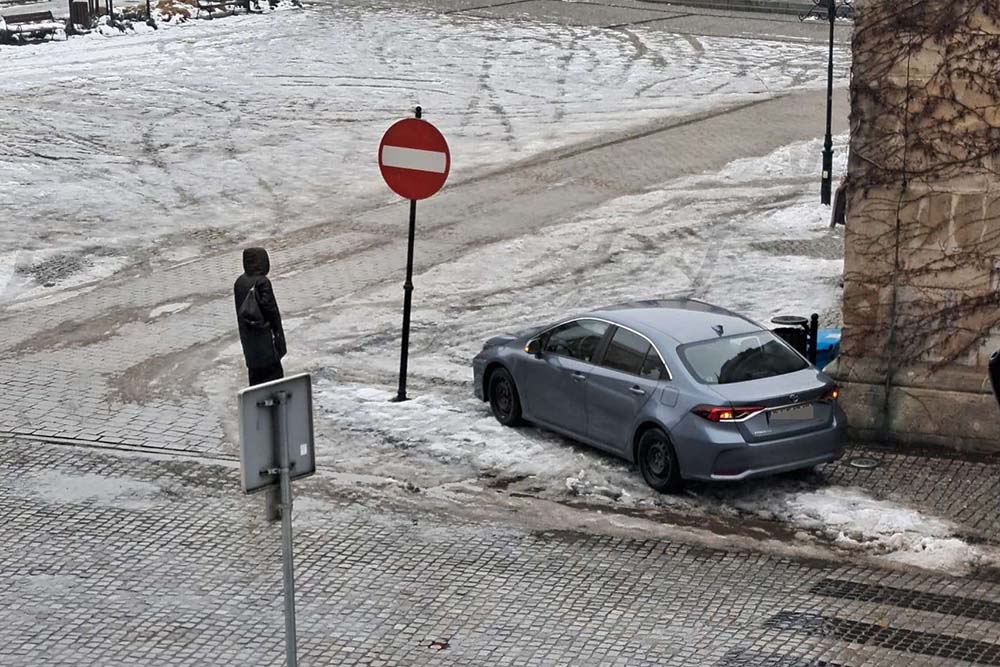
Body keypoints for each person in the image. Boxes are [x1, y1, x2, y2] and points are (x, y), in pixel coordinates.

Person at [234, 247, 287, 386]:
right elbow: (271, 311)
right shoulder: (262, 282)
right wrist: (279, 337)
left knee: (255, 379)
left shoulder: (239, 282)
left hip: (249, 341)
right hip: (265, 340)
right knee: (273, 379)